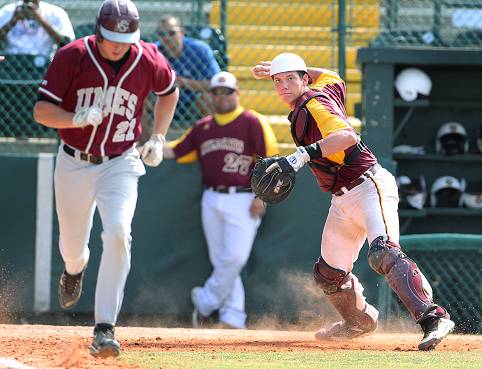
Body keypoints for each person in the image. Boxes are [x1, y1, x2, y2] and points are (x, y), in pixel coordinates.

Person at [251, 53, 455, 351]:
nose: (283, 86)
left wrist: (301, 155)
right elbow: (334, 75)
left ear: (305, 80)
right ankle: (359, 322)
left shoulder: (314, 104)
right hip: (342, 198)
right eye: (277, 81)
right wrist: (289, 68)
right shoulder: (323, 89)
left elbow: (346, 136)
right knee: (329, 274)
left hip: (369, 185)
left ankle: (434, 318)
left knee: (383, 253)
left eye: (290, 79)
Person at [32, 0, 178, 358]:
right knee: (71, 247)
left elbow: (169, 92)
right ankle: (73, 270)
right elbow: (41, 111)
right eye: (111, 37)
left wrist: (159, 135)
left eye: (125, 38)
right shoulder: (72, 56)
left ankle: (104, 328)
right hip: (74, 162)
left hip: (121, 161)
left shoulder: (147, 57)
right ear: (97, 31)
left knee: (117, 233)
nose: (117, 45)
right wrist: (75, 118)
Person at [163, 71, 278, 329]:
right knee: (222, 262)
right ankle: (232, 318)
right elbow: (177, 149)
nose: (222, 96)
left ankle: (204, 299)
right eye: (217, 92)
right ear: (211, 95)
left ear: (237, 93)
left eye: (227, 91)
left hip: (244, 197)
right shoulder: (203, 126)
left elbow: (268, 161)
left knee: (235, 257)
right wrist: (141, 148)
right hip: (211, 197)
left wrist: (262, 196)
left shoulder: (252, 121)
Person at [155, 15, 220, 124]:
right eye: (162, 34)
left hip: (192, 103)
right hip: (160, 101)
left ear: (182, 33)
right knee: (142, 100)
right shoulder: (153, 52)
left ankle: (212, 138)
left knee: (208, 99)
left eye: (171, 33)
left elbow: (216, 83)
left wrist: (184, 82)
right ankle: (146, 141)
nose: (166, 38)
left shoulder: (199, 49)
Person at [0, 0, 74, 57]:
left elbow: (67, 42)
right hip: (11, 60)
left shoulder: (56, 12)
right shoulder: (7, 11)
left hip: (43, 61)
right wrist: (13, 21)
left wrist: (40, 19)